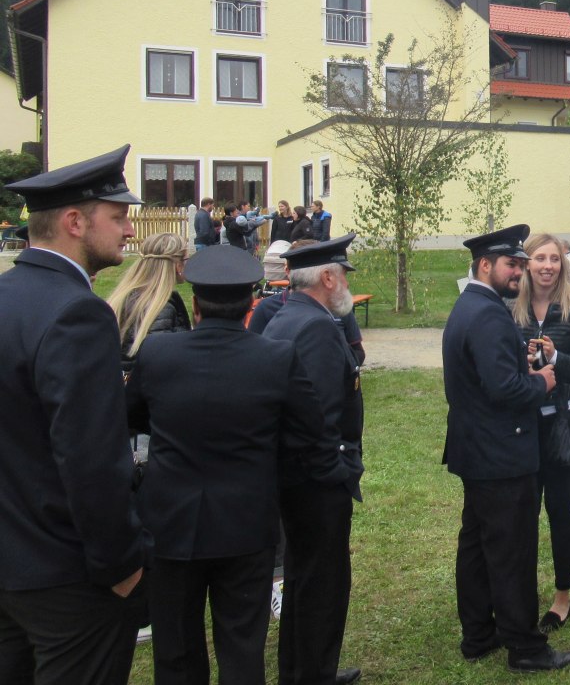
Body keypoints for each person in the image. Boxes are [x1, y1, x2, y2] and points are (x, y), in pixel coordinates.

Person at [126, 245, 339, 685]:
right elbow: (311, 433)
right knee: (242, 648)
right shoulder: (275, 358)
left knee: (176, 651)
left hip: (171, 522)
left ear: (197, 304)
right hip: (246, 522)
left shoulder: (158, 353)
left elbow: (130, 417)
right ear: (250, 305)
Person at [0, 145, 147, 685]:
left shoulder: (7, 294)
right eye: (119, 216)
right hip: (67, 575)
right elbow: (91, 459)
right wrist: (123, 566)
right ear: (74, 221)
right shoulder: (77, 312)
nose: (128, 231)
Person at [442, 224, 570, 672]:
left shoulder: (473, 305)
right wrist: (540, 380)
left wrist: (515, 369)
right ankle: (525, 647)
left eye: (522, 264)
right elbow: (503, 390)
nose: (519, 272)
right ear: (486, 266)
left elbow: (490, 374)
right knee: (511, 551)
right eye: (512, 265)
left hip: (478, 448)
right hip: (500, 453)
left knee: (479, 545)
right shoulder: (485, 312)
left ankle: (479, 634)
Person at [262, 235, 365, 685]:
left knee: (304, 581)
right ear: (327, 277)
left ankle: (303, 671)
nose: (345, 285)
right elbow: (319, 417)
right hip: (315, 485)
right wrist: (337, 474)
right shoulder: (318, 327)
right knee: (322, 584)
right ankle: (313, 674)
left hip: (292, 479)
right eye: (342, 275)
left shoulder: (287, 317)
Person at [510, 233, 570, 635]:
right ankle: (520, 593)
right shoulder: (507, 306)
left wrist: (556, 359)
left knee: (560, 508)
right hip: (525, 419)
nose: (547, 266)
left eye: (554, 258)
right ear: (527, 264)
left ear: (563, 263)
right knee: (523, 509)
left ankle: (562, 595)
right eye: (539, 259)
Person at [251, 239, 366, 367]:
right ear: (327, 278)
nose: (347, 283)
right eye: (343, 275)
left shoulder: (335, 307)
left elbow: (357, 352)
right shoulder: (318, 324)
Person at [107, 231, 192, 360]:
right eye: (186, 259)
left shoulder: (125, 296)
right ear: (178, 266)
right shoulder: (161, 307)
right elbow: (163, 358)